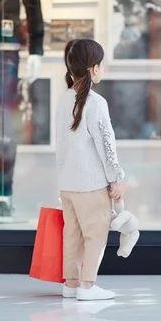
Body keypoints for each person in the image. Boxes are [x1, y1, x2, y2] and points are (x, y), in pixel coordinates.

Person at [56, 39, 127, 301]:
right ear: (94, 68)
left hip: (68, 186)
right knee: (95, 234)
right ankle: (87, 286)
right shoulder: (96, 103)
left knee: (71, 236)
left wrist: (60, 184)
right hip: (91, 184)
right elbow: (107, 146)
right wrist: (116, 179)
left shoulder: (63, 101)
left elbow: (60, 148)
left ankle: (71, 284)